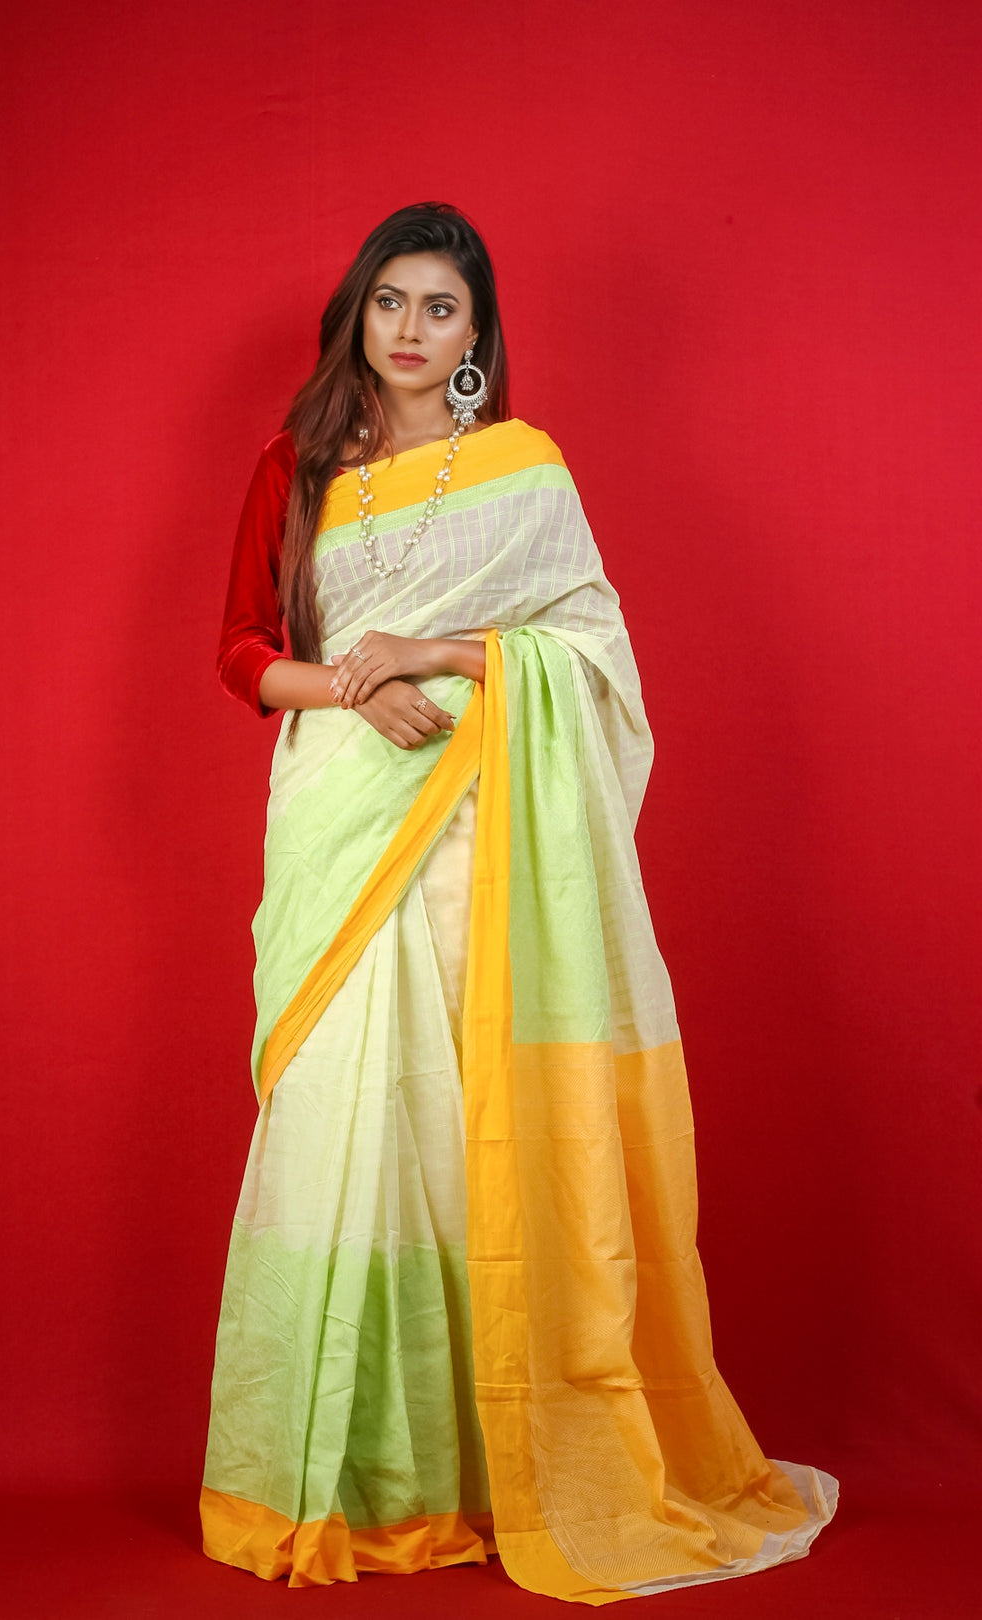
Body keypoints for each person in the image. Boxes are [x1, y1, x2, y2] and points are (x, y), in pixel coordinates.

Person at [199, 201, 839, 1603]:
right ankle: (357, 1479)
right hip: (339, 823)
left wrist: (432, 647)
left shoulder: (522, 472)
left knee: (455, 1130)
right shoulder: (295, 462)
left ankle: (500, 1464)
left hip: (480, 843)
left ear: (478, 336)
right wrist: (358, 688)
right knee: (340, 1129)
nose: (414, 331)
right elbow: (244, 648)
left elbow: (587, 649)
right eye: (392, 304)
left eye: (442, 309)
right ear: (356, 315)